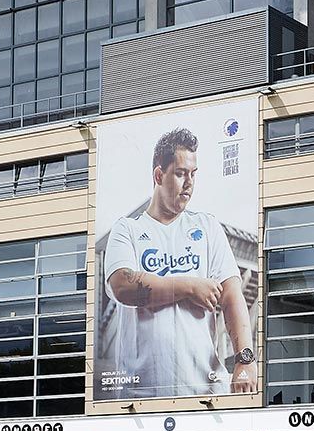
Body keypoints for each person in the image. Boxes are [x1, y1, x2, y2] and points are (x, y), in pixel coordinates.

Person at [99, 129, 256, 400]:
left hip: (205, 392)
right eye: (181, 173)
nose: (189, 183)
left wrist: (245, 359)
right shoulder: (127, 229)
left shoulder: (206, 227)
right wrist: (187, 287)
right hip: (141, 396)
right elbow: (123, 285)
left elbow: (232, 295)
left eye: (194, 174)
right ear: (159, 175)